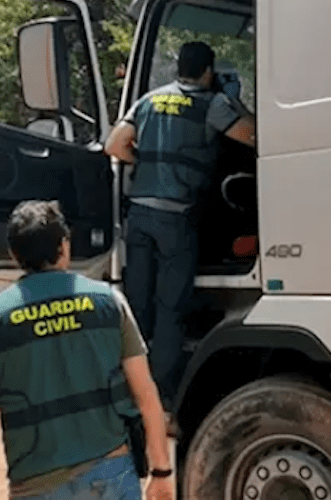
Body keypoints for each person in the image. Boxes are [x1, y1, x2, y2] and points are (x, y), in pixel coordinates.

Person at [0, 200, 174, 500]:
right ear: (64, 246)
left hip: (37, 483)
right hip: (112, 474)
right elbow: (146, 394)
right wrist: (161, 472)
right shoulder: (109, 302)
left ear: (14, 254)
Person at [103, 41, 256, 411]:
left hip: (139, 216)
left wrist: (145, 161)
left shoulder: (149, 100)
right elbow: (253, 136)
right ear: (207, 71)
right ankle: (159, 396)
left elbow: (114, 145)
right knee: (170, 308)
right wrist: (233, 99)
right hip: (176, 219)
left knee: (137, 307)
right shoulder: (213, 104)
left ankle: (127, 392)